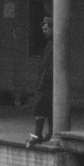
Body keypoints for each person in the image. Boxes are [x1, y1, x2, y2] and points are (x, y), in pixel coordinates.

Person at [26, 15, 54, 147]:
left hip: (47, 83)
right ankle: (46, 134)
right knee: (46, 109)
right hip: (44, 81)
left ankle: (38, 135)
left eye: (46, 29)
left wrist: (44, 79)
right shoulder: (49, 44)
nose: (44, 31)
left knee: (40, 107)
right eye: (43, 29)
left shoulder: (55, 44)